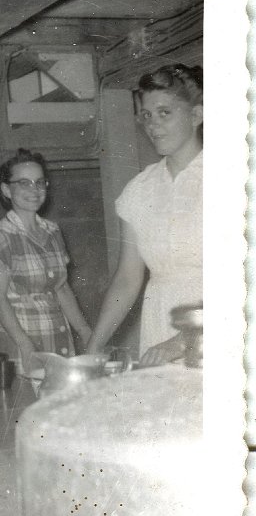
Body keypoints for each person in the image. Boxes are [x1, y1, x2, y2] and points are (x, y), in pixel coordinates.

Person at [86, 63, 203, 366]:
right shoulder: (139, 190)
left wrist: (182, 341)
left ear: (196, 115)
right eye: (147, 116)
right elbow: (127, 279)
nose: (153, 125)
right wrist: (92, 349)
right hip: (159, 327)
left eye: (165, 113)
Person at [0, 149, 92, 378]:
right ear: (6, 190)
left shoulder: (52, 231)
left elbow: (62, 288)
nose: (35, 190)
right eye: (24, 183)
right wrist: (25, 346)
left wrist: (86, 332)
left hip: (56, 336)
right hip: (21, 342)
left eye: (40, 182)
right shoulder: (1, 238)